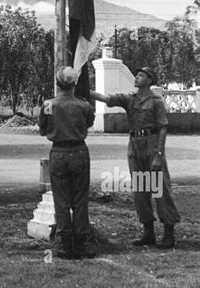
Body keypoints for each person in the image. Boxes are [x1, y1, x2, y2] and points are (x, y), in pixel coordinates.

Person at [91, 66, 180, 249]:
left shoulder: (156, 101)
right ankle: (148, 232)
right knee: (140, 190)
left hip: (152, 144)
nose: (137, 77)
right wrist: (87, 91)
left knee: (160, 189)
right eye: (137, 74)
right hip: (135, 146)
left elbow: (163, 127)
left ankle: (169, 234)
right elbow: (108, 99)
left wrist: (159, 154)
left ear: (149, 80)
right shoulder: (130, 99)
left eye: (141, 75)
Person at [39, 66, 96, 260]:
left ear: (57, 83)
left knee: (61, 200)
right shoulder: (84, 105)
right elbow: (88, 123)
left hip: (59, 153)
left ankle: (64, 243)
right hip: (79, 151)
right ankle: (81, 242)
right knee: (80, 199)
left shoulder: (48, 105)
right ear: (74, 85)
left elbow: (42, 129)